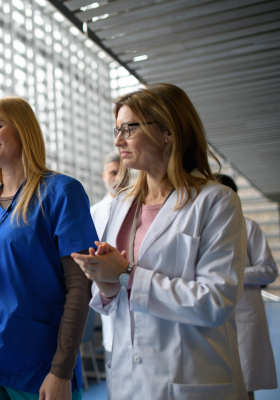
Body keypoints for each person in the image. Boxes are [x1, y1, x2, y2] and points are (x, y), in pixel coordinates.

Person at [72, 83, 248, 400]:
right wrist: (106, 282)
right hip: (128, 378)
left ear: (167, 130)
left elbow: (215, 301)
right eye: (116, 130)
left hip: (189, 376)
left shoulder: (216, 202)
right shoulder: (121, 205)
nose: (117, 140)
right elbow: (118, 296)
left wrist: (125, 274)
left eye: (128, 128)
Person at [0, 97, 98, 400]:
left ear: (23, 129)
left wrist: (62, 370)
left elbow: (80, 287)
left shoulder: (61, 193)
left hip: (37, 365)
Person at [216, 174, 278, 400]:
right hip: (215, 315)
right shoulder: (205, 231)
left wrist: (230, 276)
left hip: (245, 316)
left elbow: (268, 270)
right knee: (218, 381)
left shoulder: (248, 226)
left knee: (246, 382)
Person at [89, 151, 121, 366]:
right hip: (105, 292)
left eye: (121, 172)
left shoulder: (140, 205)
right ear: (103, 176)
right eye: (112, 173)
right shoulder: (93, 212)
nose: (117, 178)